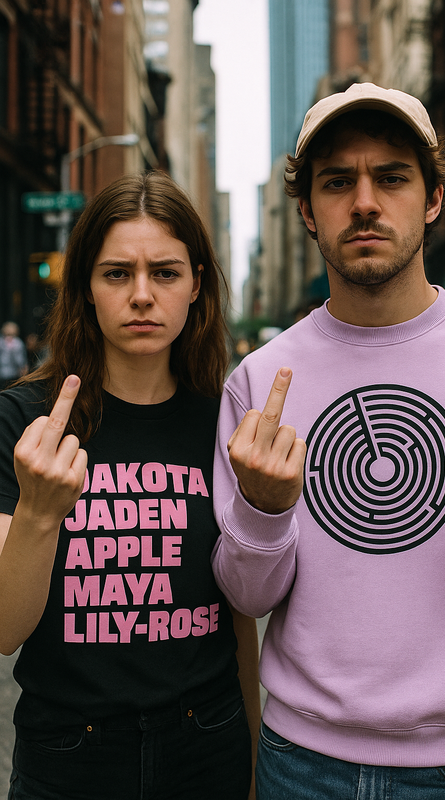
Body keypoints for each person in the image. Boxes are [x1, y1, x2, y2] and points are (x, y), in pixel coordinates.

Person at [212, 82, 445, 799]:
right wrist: (262, 512)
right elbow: (245, 596)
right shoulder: (259, 381)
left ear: (432, 199)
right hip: (298, 762)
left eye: (391, 177)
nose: (364, 202)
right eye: (336, 182)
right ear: (306, 210)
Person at [0, 171, 259, 800]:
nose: (142, 295)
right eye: (117, 273)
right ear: (85, 286)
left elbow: (240, 614)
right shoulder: (24, 420)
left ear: (197, 283)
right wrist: (38, 512)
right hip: (68, 753)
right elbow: (6, 632)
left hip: (209, 742)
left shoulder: (224, 419)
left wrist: (254, 760)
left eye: (165, 273)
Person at [0, 322, 27, 391]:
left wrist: (14, 350)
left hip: (13, 375)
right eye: (8, 334)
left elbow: (21, 361)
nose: (9, 337)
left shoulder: (18, 344)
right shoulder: (1, 342)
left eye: (12, 335)